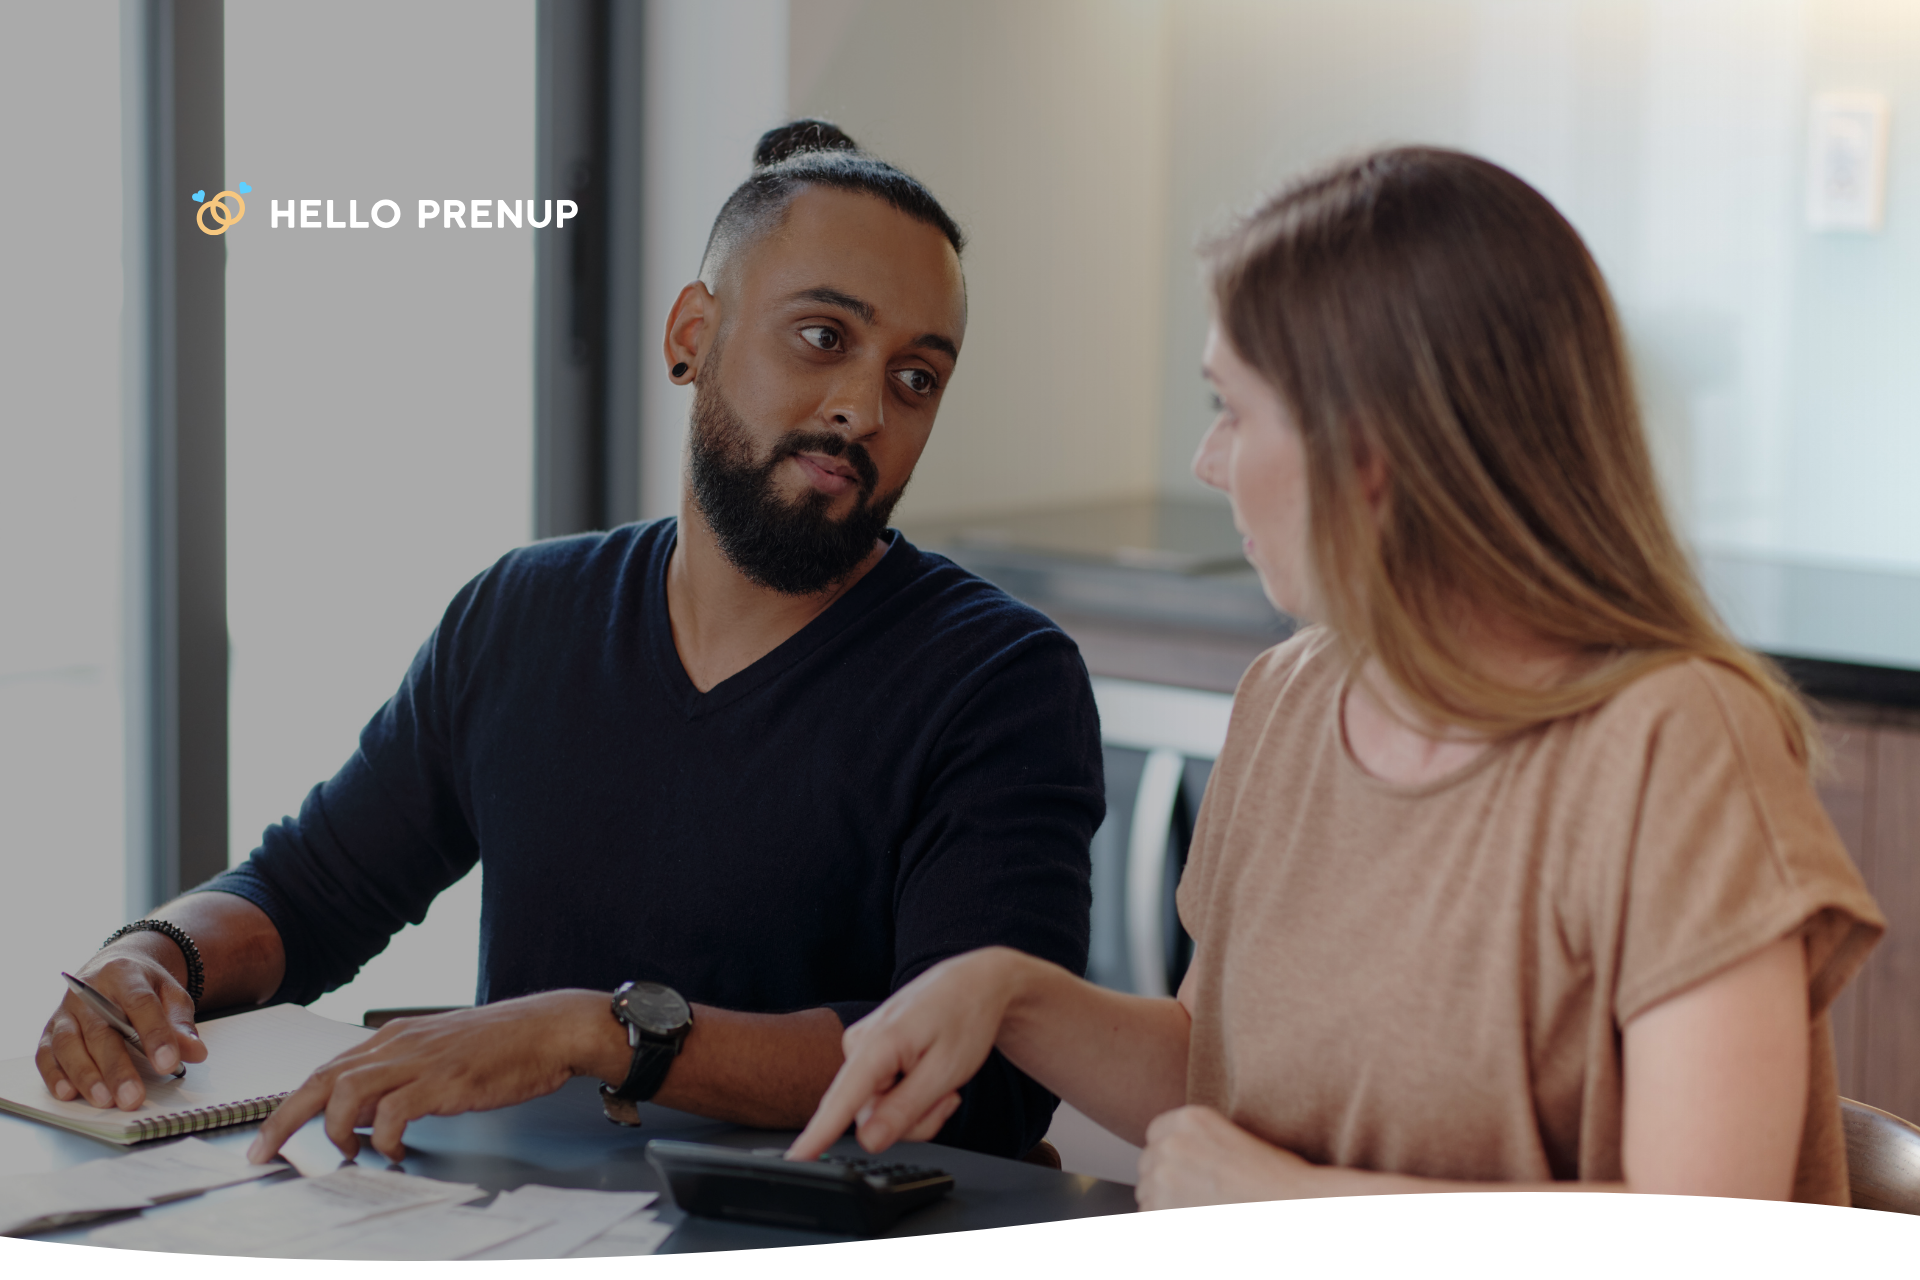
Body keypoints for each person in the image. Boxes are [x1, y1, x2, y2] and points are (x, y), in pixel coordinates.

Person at [791, 147, 1885, 1207]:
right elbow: (1220, 1076)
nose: (1207, 462)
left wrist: (1292, 1207)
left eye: (1231, 408)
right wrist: (1008, 991)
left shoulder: (1675, 741)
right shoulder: (1291, 700)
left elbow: (1712, 1239)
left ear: (1372, 452)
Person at [35, 120, 1102, 1164]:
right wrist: (152, 951)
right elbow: (307, 892)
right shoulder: (524, 612)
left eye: (917, 377)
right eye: (823, 337)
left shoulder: (1000, 680)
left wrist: (599, 1031)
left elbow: (985, 1085)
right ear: (693, 334)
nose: (864, 408)